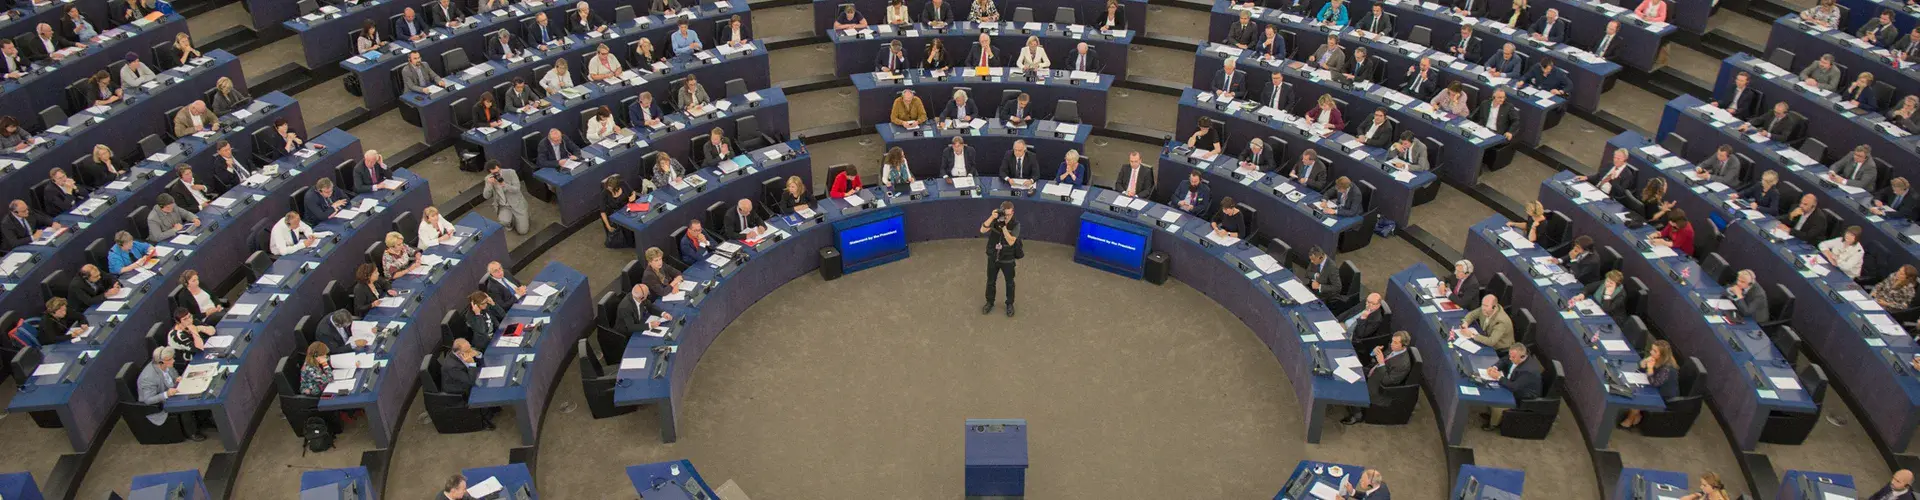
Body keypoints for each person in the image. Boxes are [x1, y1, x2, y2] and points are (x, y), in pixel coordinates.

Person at [1342, 331, 1410, 425]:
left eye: (1395, 342)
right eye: (1392, 341)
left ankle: (1357, 415)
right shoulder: (1393, 349)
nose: (1391, 344)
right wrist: (1373, 353)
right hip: (1373, 372)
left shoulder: (1403, 364)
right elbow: (1375, 362)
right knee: (1350, 371)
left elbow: (1387, 381)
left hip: (1378, 387)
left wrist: (1381, 363)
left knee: (1354, 385)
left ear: (1403, 345)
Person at [138, 347, 206, 441]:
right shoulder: (148, 378)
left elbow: (173, 375)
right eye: (170, 359)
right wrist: (166, 394)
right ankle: (191, 433)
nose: (173, 361)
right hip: (159, 405)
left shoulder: (167, 365)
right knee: (185, 406)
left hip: (173, 391)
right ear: (161, 362)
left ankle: (204, 420)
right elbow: (148, 400)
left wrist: (177, 379)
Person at [1616, 339, 1679, 429]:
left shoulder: (1667, 368)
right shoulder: (1656, 359)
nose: (1651, 352)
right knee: (1635, 389)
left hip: (1664, 396)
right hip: (1655, 388)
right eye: (1652, 349)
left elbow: (1654, 383)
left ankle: (1630, 419)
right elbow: (1642, 373)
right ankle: (1636, 415)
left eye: (1654, 351)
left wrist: (1649, 369)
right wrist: (1643, 365)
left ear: (1662, 354)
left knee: (1638, 396)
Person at [1482, 343, 1542, 429]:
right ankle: (1491, 414)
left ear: (1522, 356)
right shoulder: (1514, 357)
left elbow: (1514, 387)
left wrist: (1499, 377)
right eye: (1510, 355)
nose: (1510, 358)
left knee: (1497, 403)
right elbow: (1504, 360)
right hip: (1511, 382)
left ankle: (1493, 424)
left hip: (1521, 396)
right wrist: (1495, 367)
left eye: (1513, 357)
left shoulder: (1528, 371)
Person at [981, 201, 1021, 316]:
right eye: (1005, 214)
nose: (1007, 217)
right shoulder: (995, 220)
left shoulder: (1016, 224)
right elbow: (982, 230)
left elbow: (1011, 241)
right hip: (993, 256)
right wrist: (992, 217)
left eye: (1009, 214)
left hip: (1007, 258)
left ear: (1013, 212)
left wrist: (1004, 227)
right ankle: (989, 302)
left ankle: (1009, 304)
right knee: (990, 281)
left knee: (1009, 283)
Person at [484, 160, 531, 234]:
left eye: (498, 171)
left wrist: (504, 184)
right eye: (494, 173)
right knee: (504, 221)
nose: (497, 174)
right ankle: (510, 221)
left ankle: (522, 218)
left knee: (523, 231)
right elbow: (486, 196)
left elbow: (517, 189)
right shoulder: (488, 179)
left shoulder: (510, 172)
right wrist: (489, 185)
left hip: (517, 204)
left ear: (500, 168)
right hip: (504, 206)